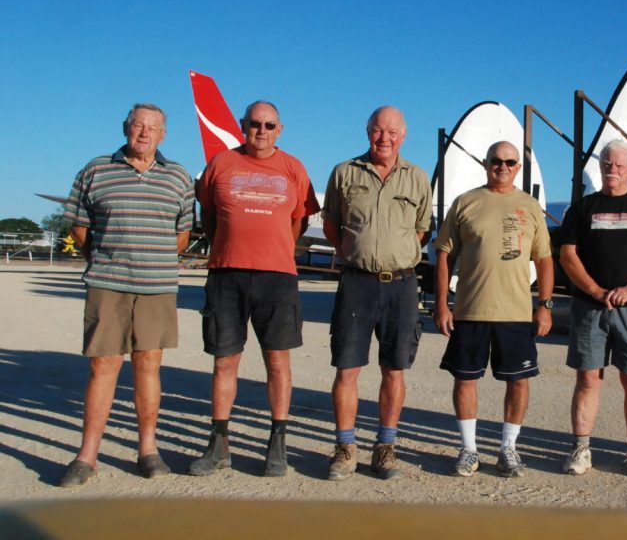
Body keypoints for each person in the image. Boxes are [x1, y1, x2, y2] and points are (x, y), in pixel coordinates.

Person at [58, 103, 194, 487]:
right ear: (125, 128)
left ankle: (148, 450)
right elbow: (80, 227)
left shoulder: (178, 177)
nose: (144, 133)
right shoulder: (96, 170)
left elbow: (181, 237)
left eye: (152, 127)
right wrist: (106, 260)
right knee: (103, 366)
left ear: (163, 134)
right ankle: (87, 455)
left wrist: (152, 261)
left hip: (157, 287)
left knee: (148, 366)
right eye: (137, 125)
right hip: (108, 284)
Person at [189, 100, 320, 478]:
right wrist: (230, 247)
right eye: (254, 124)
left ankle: (277, 443)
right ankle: (219, 443)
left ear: (279, 129)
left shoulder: (293, 168)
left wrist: (271, 249)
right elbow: (208, 216)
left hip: (277, 277)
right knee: (224, 360)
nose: (260, 131)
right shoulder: (221, 164)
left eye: (269, 125)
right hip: (227, 274)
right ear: (243, 125)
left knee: (278, 362)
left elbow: (298, 223)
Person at [433, 141, 554, 477]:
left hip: (515, 313)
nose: (502, 166)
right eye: (496, 161)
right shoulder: (465, 203)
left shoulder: (529, 207)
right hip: (470, 311)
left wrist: (544, 305)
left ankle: (508, 448)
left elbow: (544, 259)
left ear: (518, 167)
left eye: (509, 162)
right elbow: (444, 256)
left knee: (518, 381)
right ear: (486, 163)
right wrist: (442, 304)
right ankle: (469, 450)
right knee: (465, 379)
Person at [323, 106, 432, 480]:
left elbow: (421, 230)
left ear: (403, 136)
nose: (383, 138)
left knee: (394, 370)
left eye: (391, 132)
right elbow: (331, 225)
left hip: (401, 284)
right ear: (367, 131)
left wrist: (390, 255)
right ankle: (345, 448)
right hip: (357, 283)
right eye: (376, 130)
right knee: (347, 368)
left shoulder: (417, 178)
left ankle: (385, 448)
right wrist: (359, 254)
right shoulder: (344, 173)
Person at [559, 139, 627, 477]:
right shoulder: (582, 208)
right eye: (607, 163)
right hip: (589, 308)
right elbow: (568, 255)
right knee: (588, 378)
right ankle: (581, 447)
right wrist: (594, 290)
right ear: (601, 166)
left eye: (620, 165)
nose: (613, 170)